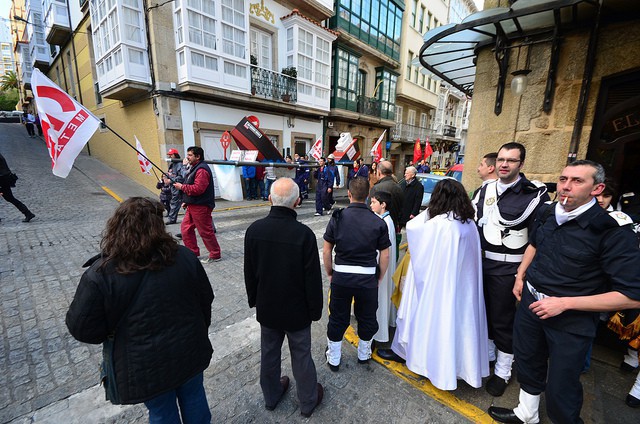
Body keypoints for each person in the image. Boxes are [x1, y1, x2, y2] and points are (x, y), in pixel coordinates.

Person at [488, 160, 640, 424]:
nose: (566, 187)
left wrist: (565, 304)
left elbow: (632, 295)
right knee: (527, 361)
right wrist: (520, 275)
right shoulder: (548, 212)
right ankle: (527, 413)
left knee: (562, 382)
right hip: (531, 304)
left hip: (572, 319)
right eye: (563, 179)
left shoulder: (612, 231)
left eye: (577, 181)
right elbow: (534, 244)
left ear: (597, 188)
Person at [66, 197, 214, 423]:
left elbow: (83, 328)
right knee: (193, 399)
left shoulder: (102, 273)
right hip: (187, 350)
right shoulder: (183, 257)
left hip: (145, 364)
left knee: (164, 411)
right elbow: (206, 300)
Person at [378, 179, 489, 391]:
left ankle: (427, 363)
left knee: (432, 323)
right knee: (457, 325)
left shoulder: (440, 225)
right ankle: (456, 368)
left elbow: (413, 228)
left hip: (437, 286)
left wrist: (431, 211)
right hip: (462, 289)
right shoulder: (468, 223)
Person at [473, 142, 549, 397]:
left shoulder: (534, 194)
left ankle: (503, 371)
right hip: (482, 263)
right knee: (483, 313)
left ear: (521, 164)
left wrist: (521, 274)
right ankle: (490, 355)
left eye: (511, 160)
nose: (505, 164)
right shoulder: (485, 190)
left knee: (503, 319)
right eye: (502, 159)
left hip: (509, 267)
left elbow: (537, 240)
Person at [244, 177, 324, 418]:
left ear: (270, 199)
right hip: (297, 310)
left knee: (269, 352)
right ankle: (307, 401)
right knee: (301, 355)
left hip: (268, 307)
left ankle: (271, 395)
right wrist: (315, 310)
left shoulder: (254, 230)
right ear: (297, 202)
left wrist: (254, 299)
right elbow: (312, 279)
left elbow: (250, 272)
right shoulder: (304, 235)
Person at [324, 177, 391, 370]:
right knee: (367, 317)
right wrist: (379, 277)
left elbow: (327, 250)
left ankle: (334, 358)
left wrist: (330, 273)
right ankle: (364, 354)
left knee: (338, 317)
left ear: (349, 194)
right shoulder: (377, 222)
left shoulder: (338, 217)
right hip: (367, 278)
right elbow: (384, 256)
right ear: (368, 196)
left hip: (342, 277)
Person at [174, 146, 222, 264]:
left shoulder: (202, 170)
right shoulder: (195, 168)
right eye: (188, 154)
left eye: (190, 155)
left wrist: (182, 187)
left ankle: (215, 254)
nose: (187, 157)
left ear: (198, 156)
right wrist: (187, 200)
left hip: (201, 206)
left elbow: (198, 189)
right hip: (193, 205)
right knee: (186, 230)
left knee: (205, 231)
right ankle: (193, 253)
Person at [369, 190, 397, 345]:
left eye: (374, 202)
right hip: (384, 267)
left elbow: (382, 252)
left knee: (379, 299)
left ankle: (378, 334)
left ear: (383, 204)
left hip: (381, 268)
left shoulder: (384, 223)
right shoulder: (387, 221)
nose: (371, 205)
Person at [370, 160, 404, 258]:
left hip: (379, 228)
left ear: (379, 172)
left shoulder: (376, 188)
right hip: (393, 225)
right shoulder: (399, 187)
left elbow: (371, 211)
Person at [0, 153, 35, 222]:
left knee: (10, 198)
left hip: (2, 179)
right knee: (10, 198)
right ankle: (28, 213)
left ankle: (28, 213)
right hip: (4, 179)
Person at [164, 149, 186, 225]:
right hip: (174, 188)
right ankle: (172, 219)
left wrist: (171, 180)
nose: (169, 156)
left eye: (171, 154)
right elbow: (170, 174)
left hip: (179, 188)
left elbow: (182, 177)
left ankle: (172, 219)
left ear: (175, 155)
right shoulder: (172, 164)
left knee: (177, 204)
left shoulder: (179, 164)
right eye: (169, 154)